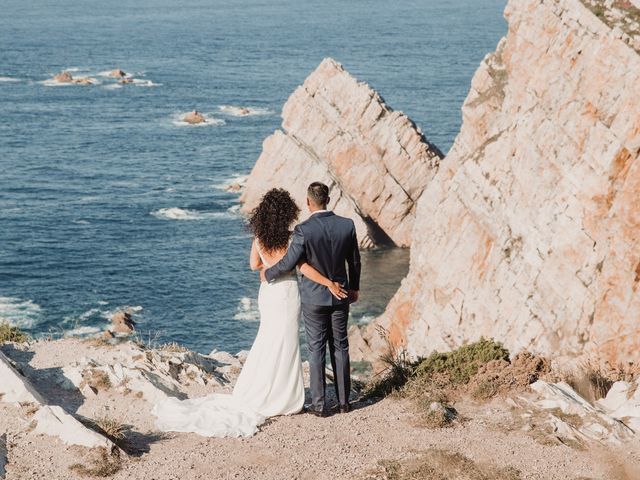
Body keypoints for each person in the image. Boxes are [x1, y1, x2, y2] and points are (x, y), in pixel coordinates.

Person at [152, 188, 345, 437]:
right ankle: (285, 397)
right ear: (288, 213)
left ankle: (261, 391)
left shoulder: (259, 238)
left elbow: (254, 265)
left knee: (267, 338)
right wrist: (328, 282)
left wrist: (268, 265)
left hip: (269, 293)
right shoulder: (292, 237)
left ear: (263, 214)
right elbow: (303, 267)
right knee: (287, 343)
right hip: (288, 293)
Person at [261, 181, 361, 416]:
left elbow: (289, 262)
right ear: (328, 199)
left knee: (316, 349)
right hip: (341, 295)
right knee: (341, 346)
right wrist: (354, 288)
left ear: (308, 202)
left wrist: (268, 274)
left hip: (314, 298)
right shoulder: (347, 225)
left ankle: (319, 406)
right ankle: (345, 403)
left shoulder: (303, 230)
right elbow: (354, 261)